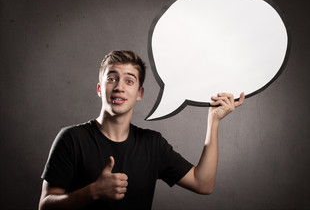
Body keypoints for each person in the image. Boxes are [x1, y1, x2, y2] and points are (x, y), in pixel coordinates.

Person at [38, 50, 245, 210]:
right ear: (100, 89)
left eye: (129, 80)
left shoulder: (152, 144)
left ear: (139, 93)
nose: (119, 87)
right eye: (111, 78)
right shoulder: (72, 138)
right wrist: (93, 191)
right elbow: (44, 206)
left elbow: (203, 184)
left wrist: (214, 121)